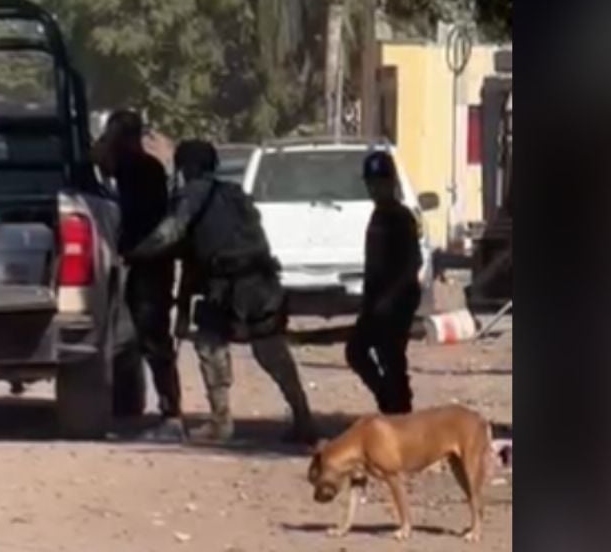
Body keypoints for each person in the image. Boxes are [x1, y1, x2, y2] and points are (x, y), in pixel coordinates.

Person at [127, 139, 317, 444]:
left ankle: (221, 422)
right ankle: (303, 418)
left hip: (228, 285)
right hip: (262, 281)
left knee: (209, 345)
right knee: (272, 352)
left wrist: (133, 254)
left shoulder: (192, 195)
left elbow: (170, 233)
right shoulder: (234, 194)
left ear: (186, 167)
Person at [94, 110, 183, 439]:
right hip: (143, 261)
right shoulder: (142, 168)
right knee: (134, 339)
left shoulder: (139, 168)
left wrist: (108, 140)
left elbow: (99, 159)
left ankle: (171, 413)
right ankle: (141, 407)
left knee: (153, 338)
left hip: (149, 263)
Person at [347, 150, 423, 414]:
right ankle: (387, 399)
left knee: (391, 359)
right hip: (376, 300)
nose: (375, 188)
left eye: (380, 182)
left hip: (397, 301)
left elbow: (413, 263)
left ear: (392, 182)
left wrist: (391, 299)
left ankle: (400, 411)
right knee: (357, 351)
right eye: (371, 183)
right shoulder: (378, 215)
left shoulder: (401, 217)